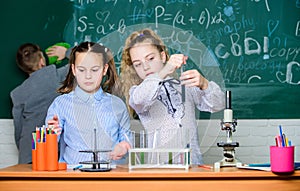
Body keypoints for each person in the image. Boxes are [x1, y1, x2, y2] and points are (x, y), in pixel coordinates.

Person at [116, 28, 225, 165]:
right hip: (159, 169)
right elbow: (139, 99)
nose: (145, 67)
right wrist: (165, 70)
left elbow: (219, 104)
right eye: (138, 64)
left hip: (192, 165)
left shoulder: (185, 86)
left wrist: (204, 84)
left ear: (162, 56)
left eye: (150, 58)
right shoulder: (137, 92)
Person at [46, 42, 131, 165]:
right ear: (74, 69)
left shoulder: (117, 105)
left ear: (104, 69)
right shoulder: (60, 104)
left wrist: (124, 147)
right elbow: (48, 151)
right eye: (81, 70)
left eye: (94, 70)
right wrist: (51, 134)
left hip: (111, 176)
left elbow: (127, 141)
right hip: (73, 177)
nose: (88, 76)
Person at [11, 43, 69, 164]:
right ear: (42, 61)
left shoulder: (17, 94)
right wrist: (67, 52)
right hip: (54, 151)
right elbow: (86, 60)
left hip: (29, 154)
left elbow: (18, 130)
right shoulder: (55, 75)